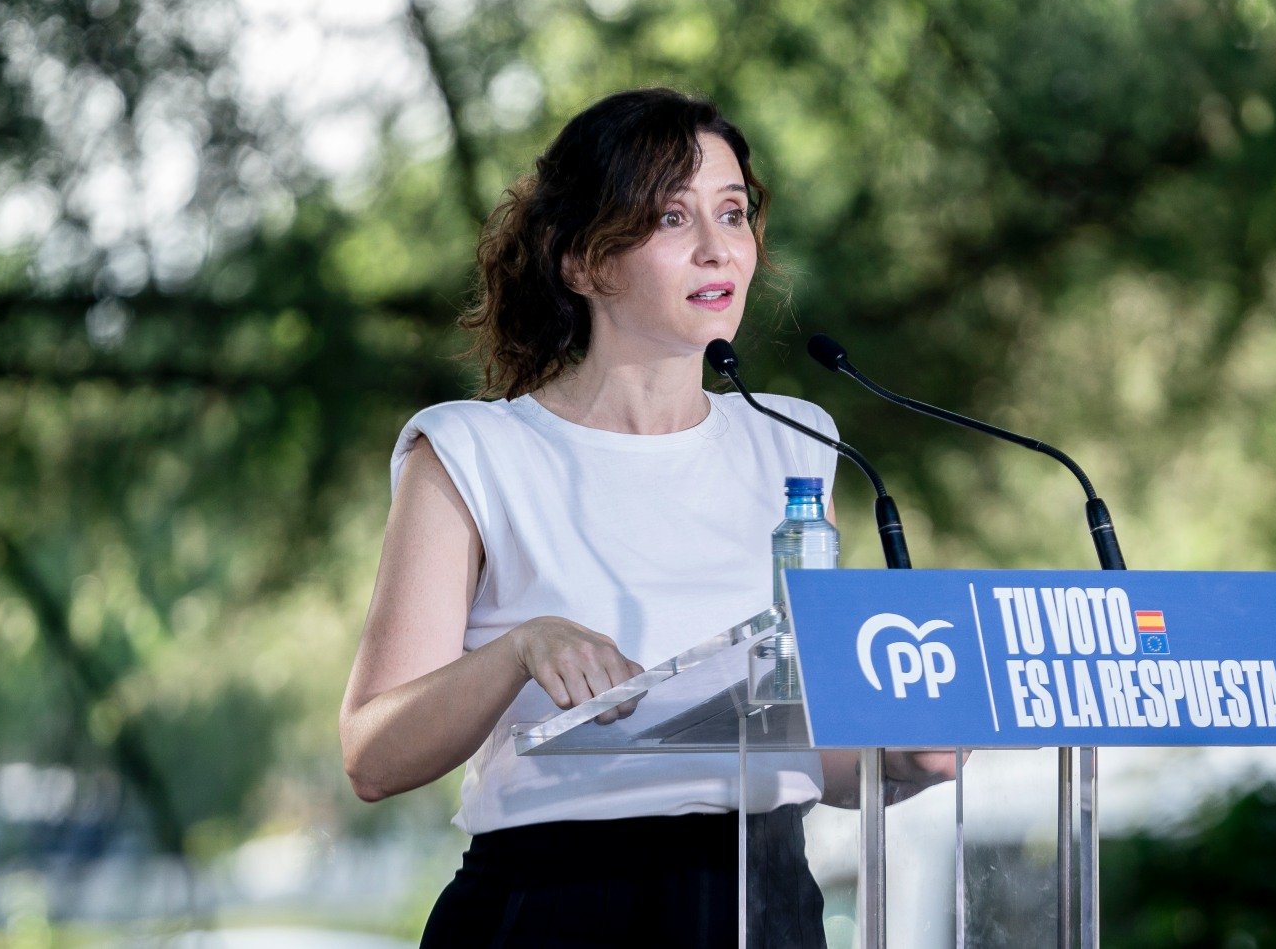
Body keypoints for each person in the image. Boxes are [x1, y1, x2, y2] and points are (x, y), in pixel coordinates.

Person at [338, 87, 958, 947]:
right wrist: (523, 649)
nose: (718, 249)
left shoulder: (800, 444)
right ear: (584, 263)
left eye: (733, 213)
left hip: (769, 900)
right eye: (672, 217)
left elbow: (801, 744)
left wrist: (902, 761)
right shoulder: (471, 451)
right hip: (557, 906)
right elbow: (372, 755)